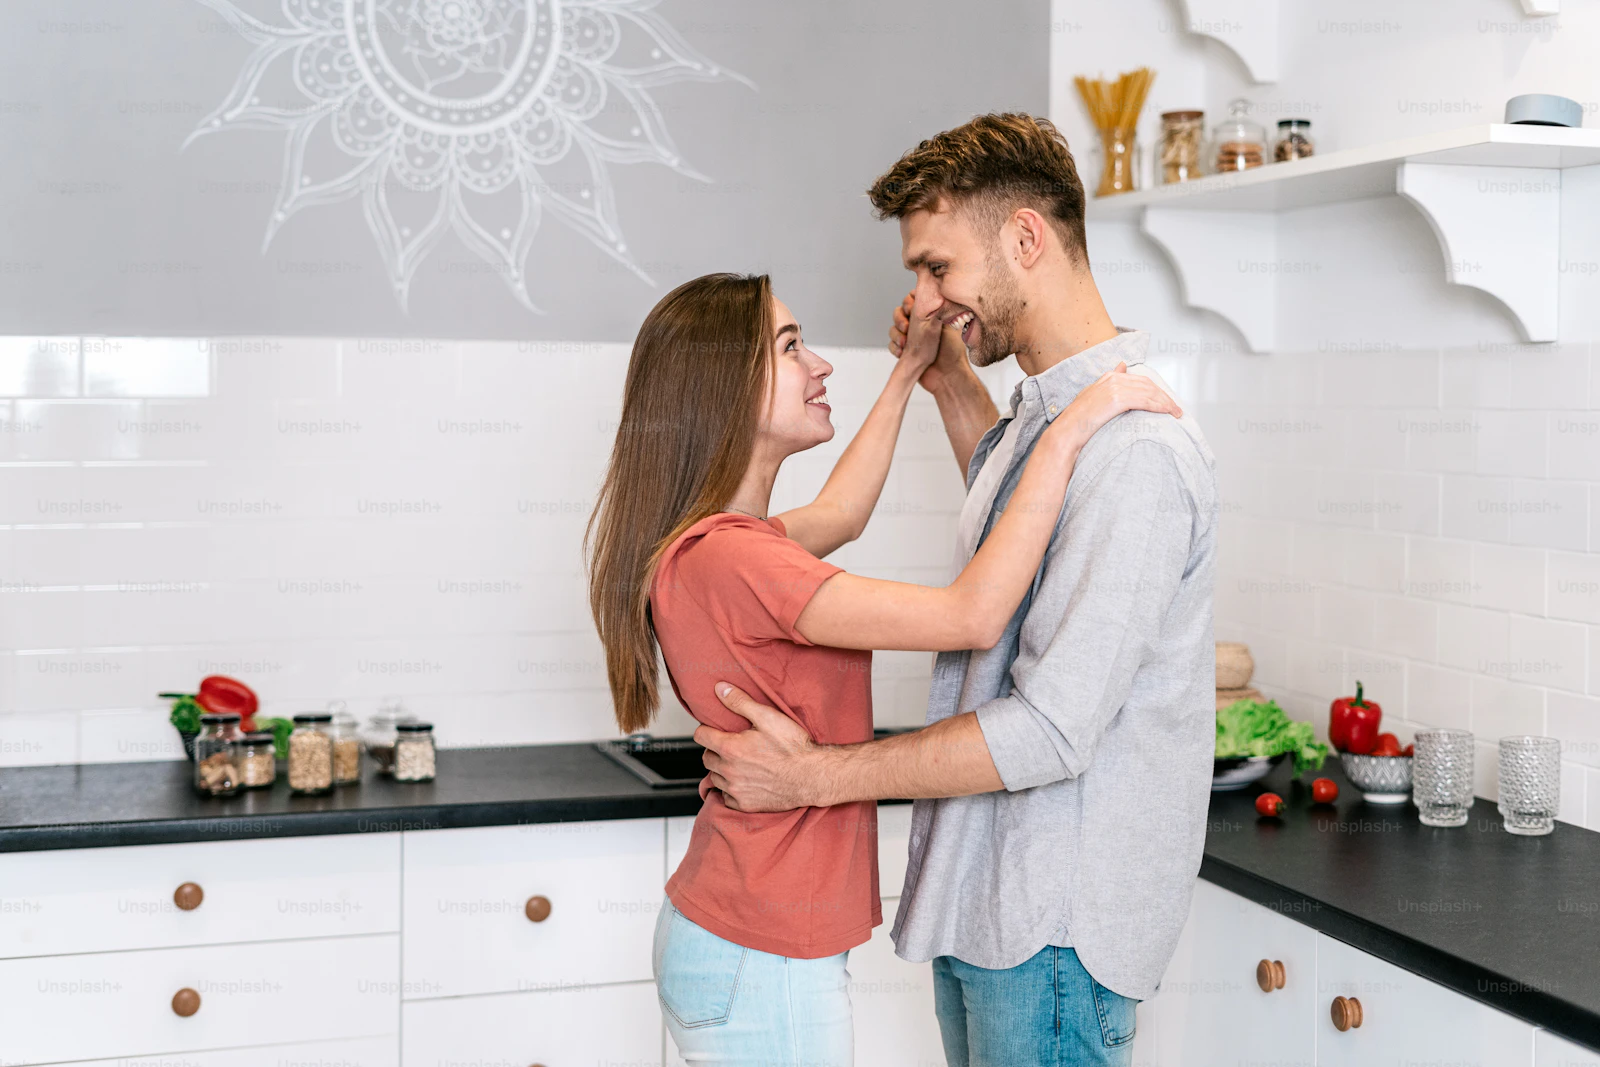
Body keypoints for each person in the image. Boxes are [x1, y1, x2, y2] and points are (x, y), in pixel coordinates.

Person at [695, 113, 1219, 1067]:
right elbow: (1021, 515)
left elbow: (1050, 729)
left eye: (938, 267)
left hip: (1052, 930)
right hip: (994, 911)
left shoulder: (1136, 452)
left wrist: (817, 774)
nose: (926, 298)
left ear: (1026, 238)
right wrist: (941, 381)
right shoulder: (1045, 418)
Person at [584, 270, 1180, 1066]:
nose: (821, 365)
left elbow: (843, 512)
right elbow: (974, 612)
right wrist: (1068, 433)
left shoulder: (723, 545)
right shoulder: (736, 560)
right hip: (760, 951)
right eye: (792, 348)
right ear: (726, 387)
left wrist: (910, 373)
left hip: (735, 937)